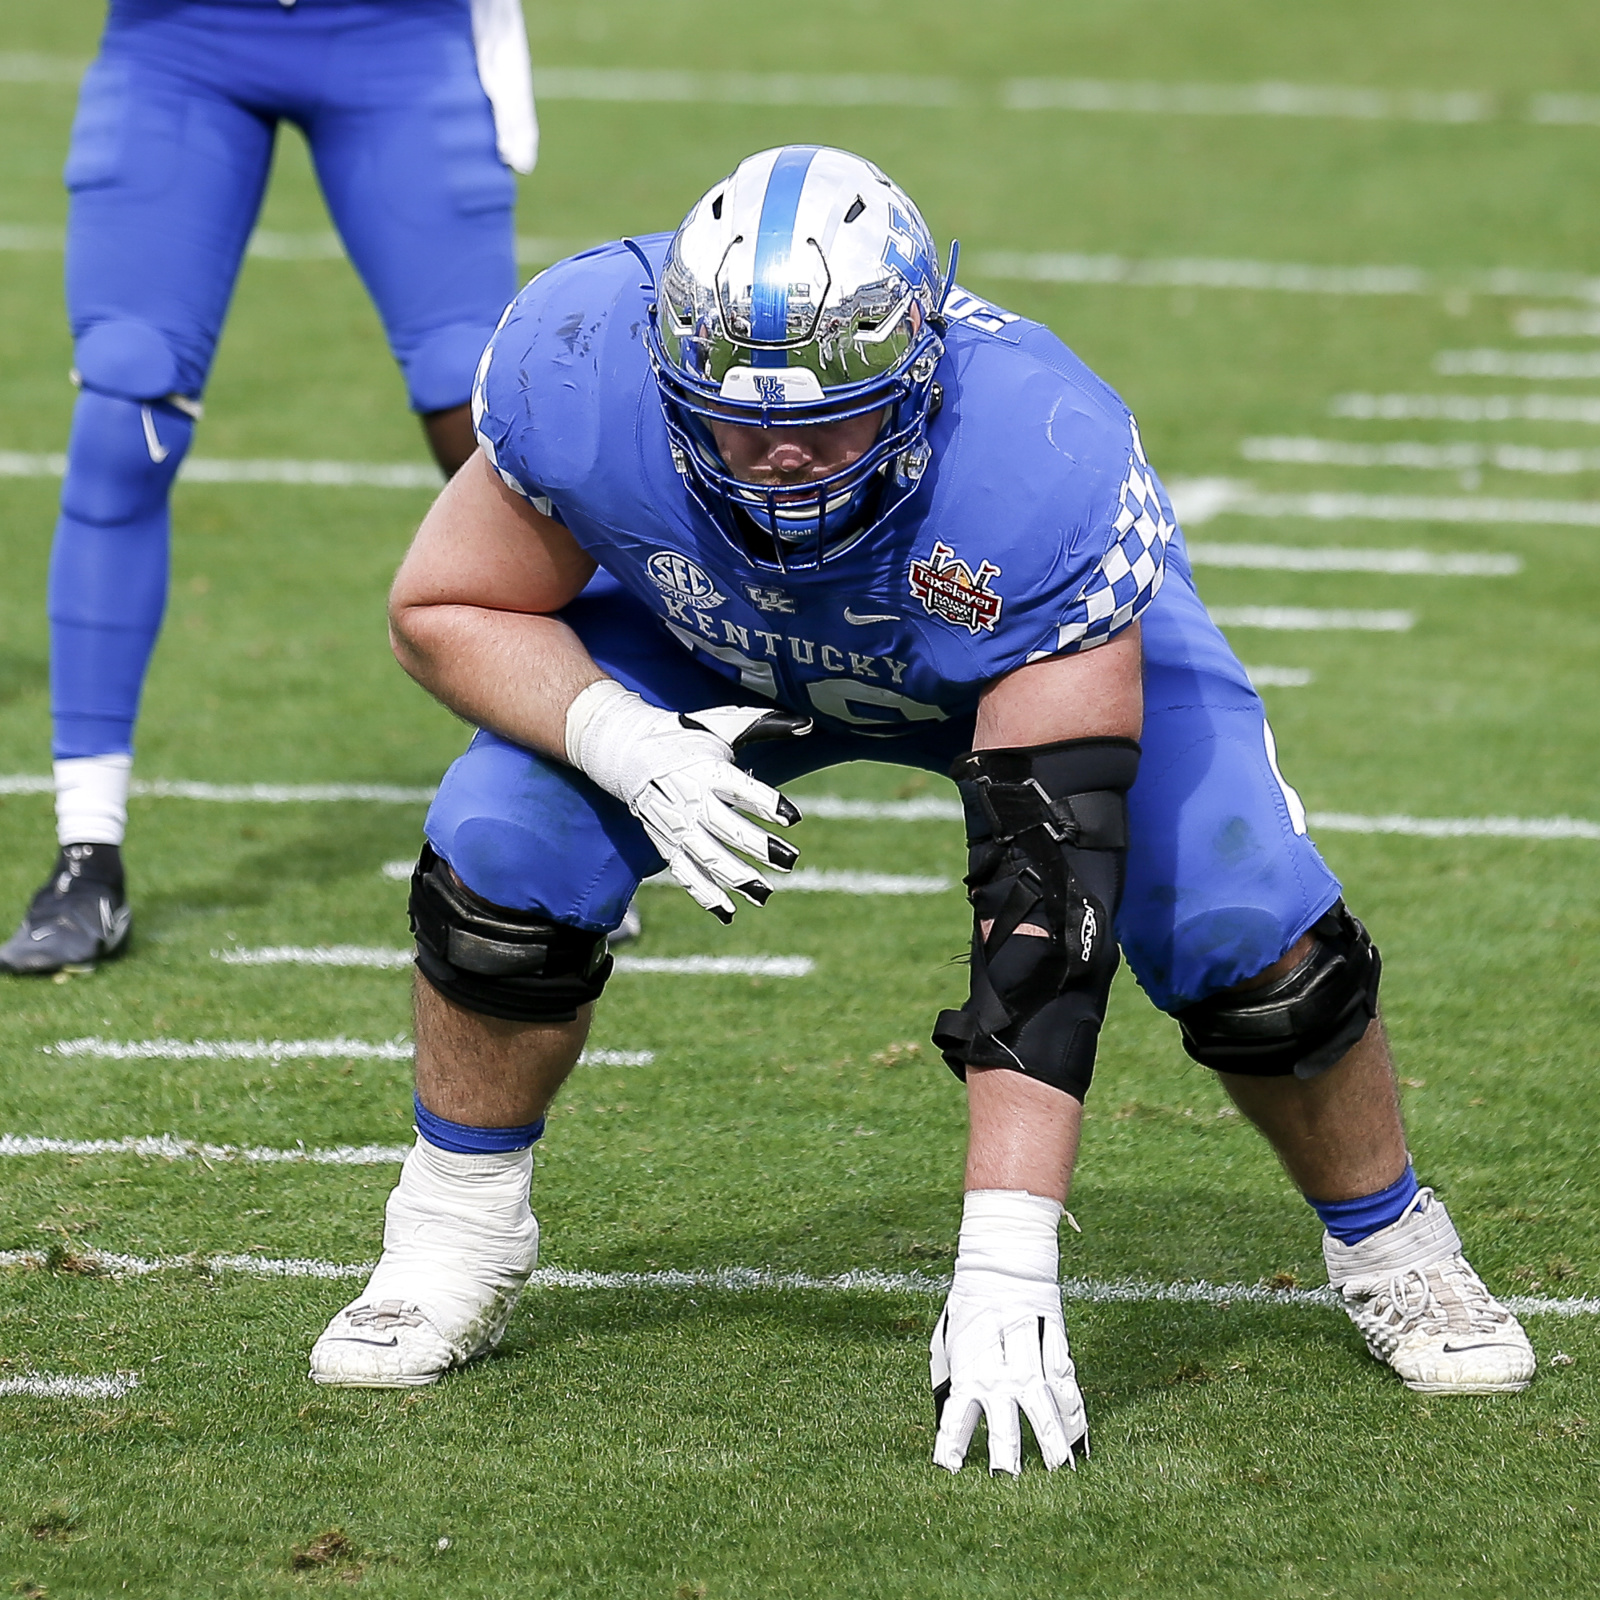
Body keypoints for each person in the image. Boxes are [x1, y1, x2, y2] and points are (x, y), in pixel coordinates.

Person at [308, 146, 1535, 1470]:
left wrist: (1006, 1256)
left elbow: (1046, 903)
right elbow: (442, 605)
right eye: (736, 422)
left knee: (1252, 931)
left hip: (994, 653)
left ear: (922, 371)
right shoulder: (582, 363)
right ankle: (453, 1232)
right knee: (504, 842)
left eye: (829, 421)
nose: (780, 463)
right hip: (710, 642)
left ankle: (1393, 1241)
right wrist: (618, 738)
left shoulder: (1034, 458)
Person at [0, 0, 538, 975]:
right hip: (181, 33)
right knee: (124, 409)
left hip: (396, 33)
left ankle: (562, 798)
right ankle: (88, 851)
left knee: (480, 416)